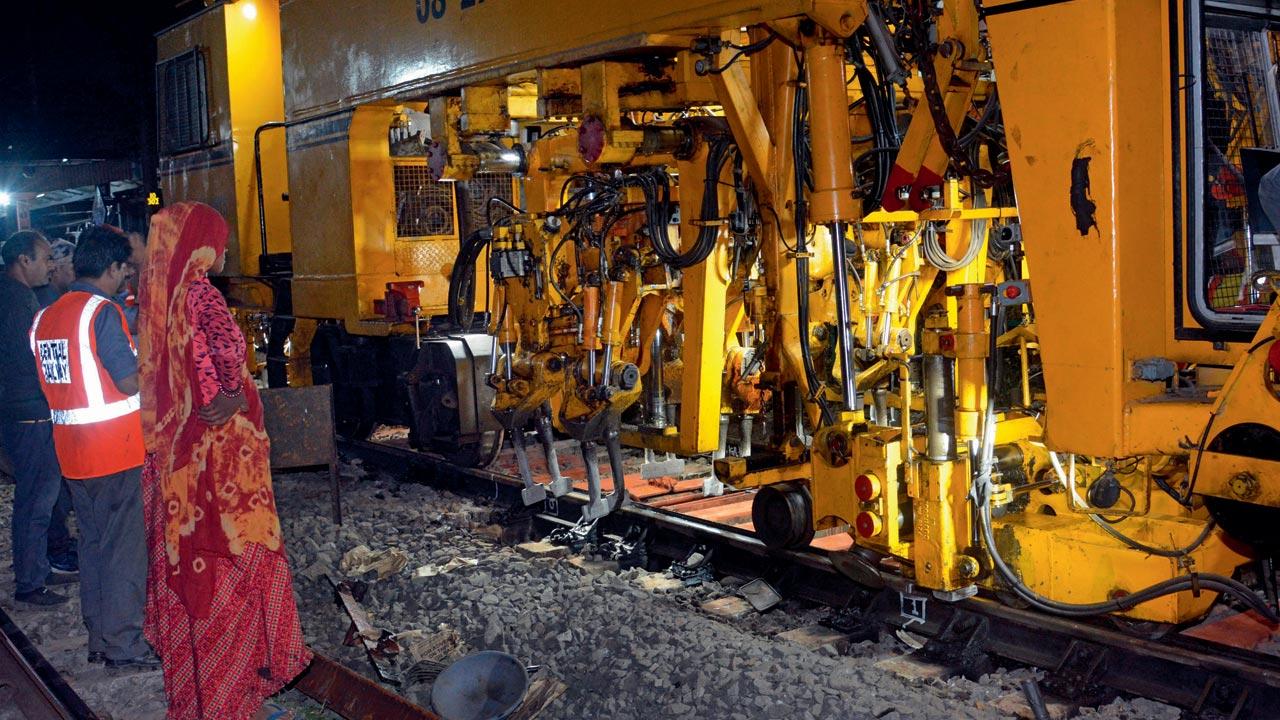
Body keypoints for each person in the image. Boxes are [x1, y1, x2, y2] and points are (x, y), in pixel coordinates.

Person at [139, 202, 309, 720]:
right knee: (236, 564)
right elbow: (231, 352)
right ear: (201, 246)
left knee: (188, 569)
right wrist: (234, 394)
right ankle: (233, 697)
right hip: (224, 459)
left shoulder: (155, 299)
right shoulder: (201, 293)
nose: (226, 250)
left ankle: (196, 695)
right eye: (220, 240)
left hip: (177, 462)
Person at [30, 225, 158, 667]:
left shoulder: (47, 316)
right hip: (113, 450)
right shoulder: (100, 313)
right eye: (125, 271)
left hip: (72, 453)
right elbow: (126, 380)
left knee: (93, 545)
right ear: (113, 267)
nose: (127, 279)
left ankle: (100, 640)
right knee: (123, 551)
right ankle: (125, 646)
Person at [0, 230, 75, 607]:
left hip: (20, 412)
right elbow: (29, 362)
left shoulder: (13, 295)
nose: (52, 265)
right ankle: (30, 583)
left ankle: (39, 569)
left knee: (37, 499)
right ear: (23, 261)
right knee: (36, 501)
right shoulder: (16, 302)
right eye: (46, 258)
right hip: (29, 414)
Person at [33, 238, 80, 575]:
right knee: (51, 492)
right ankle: (57, 550)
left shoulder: (49, 301)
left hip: (48, 410)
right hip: (46, 412)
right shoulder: (49, 305)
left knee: (53, 490)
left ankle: (58, 546)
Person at [34, 239, 76, 307]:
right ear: (56, 270)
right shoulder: (47, 303)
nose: (77, 274)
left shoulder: (55, 296)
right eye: (73, 269)